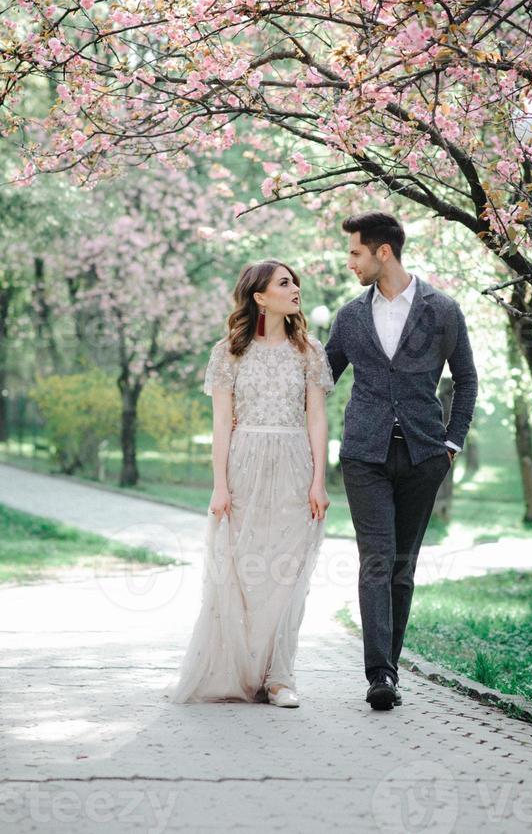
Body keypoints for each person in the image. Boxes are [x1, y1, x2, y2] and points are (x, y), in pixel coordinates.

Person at [325, 212, 478, 711]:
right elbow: (321, 376)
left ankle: (388, 670)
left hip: (422, 455)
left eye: (355, 253)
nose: (350, 263)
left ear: (382, 252)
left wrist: (451, 444)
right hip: (364, 456)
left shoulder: (442, 310)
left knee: (402, 567)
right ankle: (380, 675)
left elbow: (467, 379)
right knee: (376, 560)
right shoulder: (350, 316)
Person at [166, 259, 334, 708]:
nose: (295, 287)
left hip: (296, 464)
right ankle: (238, 669)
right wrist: (219, 486)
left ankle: (280, 676)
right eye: (284, 282)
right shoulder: (228, 352)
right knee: (242, 570)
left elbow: (317, 418)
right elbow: (222, 424)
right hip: (244, 465)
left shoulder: (310, 351)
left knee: (288, 571)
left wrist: (319, 480)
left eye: (295, 280)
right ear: (260, 297)